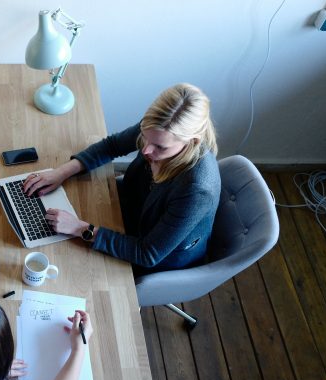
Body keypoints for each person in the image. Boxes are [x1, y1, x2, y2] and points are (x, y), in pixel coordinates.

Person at [24, 83, 221, 274]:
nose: (146, 150)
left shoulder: (197, 190)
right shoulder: (158, 128)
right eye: (145, 137)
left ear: (192, 141)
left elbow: (147, 253)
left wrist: (79, 228)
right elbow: (112, 146)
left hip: (154, 257)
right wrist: (61, 172)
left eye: (160, 147)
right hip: (128, 212)